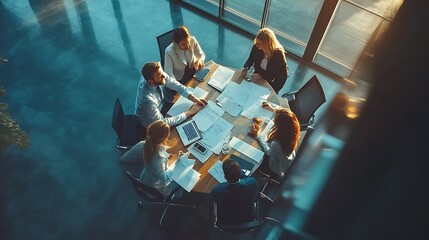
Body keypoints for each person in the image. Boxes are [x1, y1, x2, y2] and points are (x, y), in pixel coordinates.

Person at [134, 61, 207, 127]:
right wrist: (189, 112)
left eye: (162, 73)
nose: (164, 76)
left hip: (161, 106)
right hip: (150, 125)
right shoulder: (147, 100)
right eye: (160, 76)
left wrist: (194, 98)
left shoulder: (157, 74)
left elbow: (177, 86)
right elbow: (163, 123)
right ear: (151, 81)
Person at [250, 104, 300, 179]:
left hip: (274, 167)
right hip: (286, 160)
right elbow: (287, 116)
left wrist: (258, 135)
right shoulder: (292, 131)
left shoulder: (277, 143)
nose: (273, 121)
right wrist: (273, 109)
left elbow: (268, 152)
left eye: (275, 122)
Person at [210, 159, 260, 225]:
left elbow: (214, 200)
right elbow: (256, 196)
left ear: (225, 177)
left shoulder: (217, 190)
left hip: (227, 220)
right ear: (240, 173)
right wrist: (240, 172)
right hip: (248, 216)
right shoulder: (252, 182)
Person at [139, 120, 180, 197]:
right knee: (182, 181)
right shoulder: (158, 158)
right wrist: (175, 162)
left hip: (145, 177)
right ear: (165, 138)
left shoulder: (146, 145)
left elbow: (157, 158)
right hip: (155, 186)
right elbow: (164, 178)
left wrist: (167, 156)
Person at [241, 28, 289, 93]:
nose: (256, 45)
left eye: (260, 44)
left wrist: (272, 91)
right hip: (256, 78)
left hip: (269, 83)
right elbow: (251, 59)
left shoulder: (278, 55)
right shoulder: (256, 46)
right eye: (256, 41)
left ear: (268, 45)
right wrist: (245, 68)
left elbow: (282, 77)